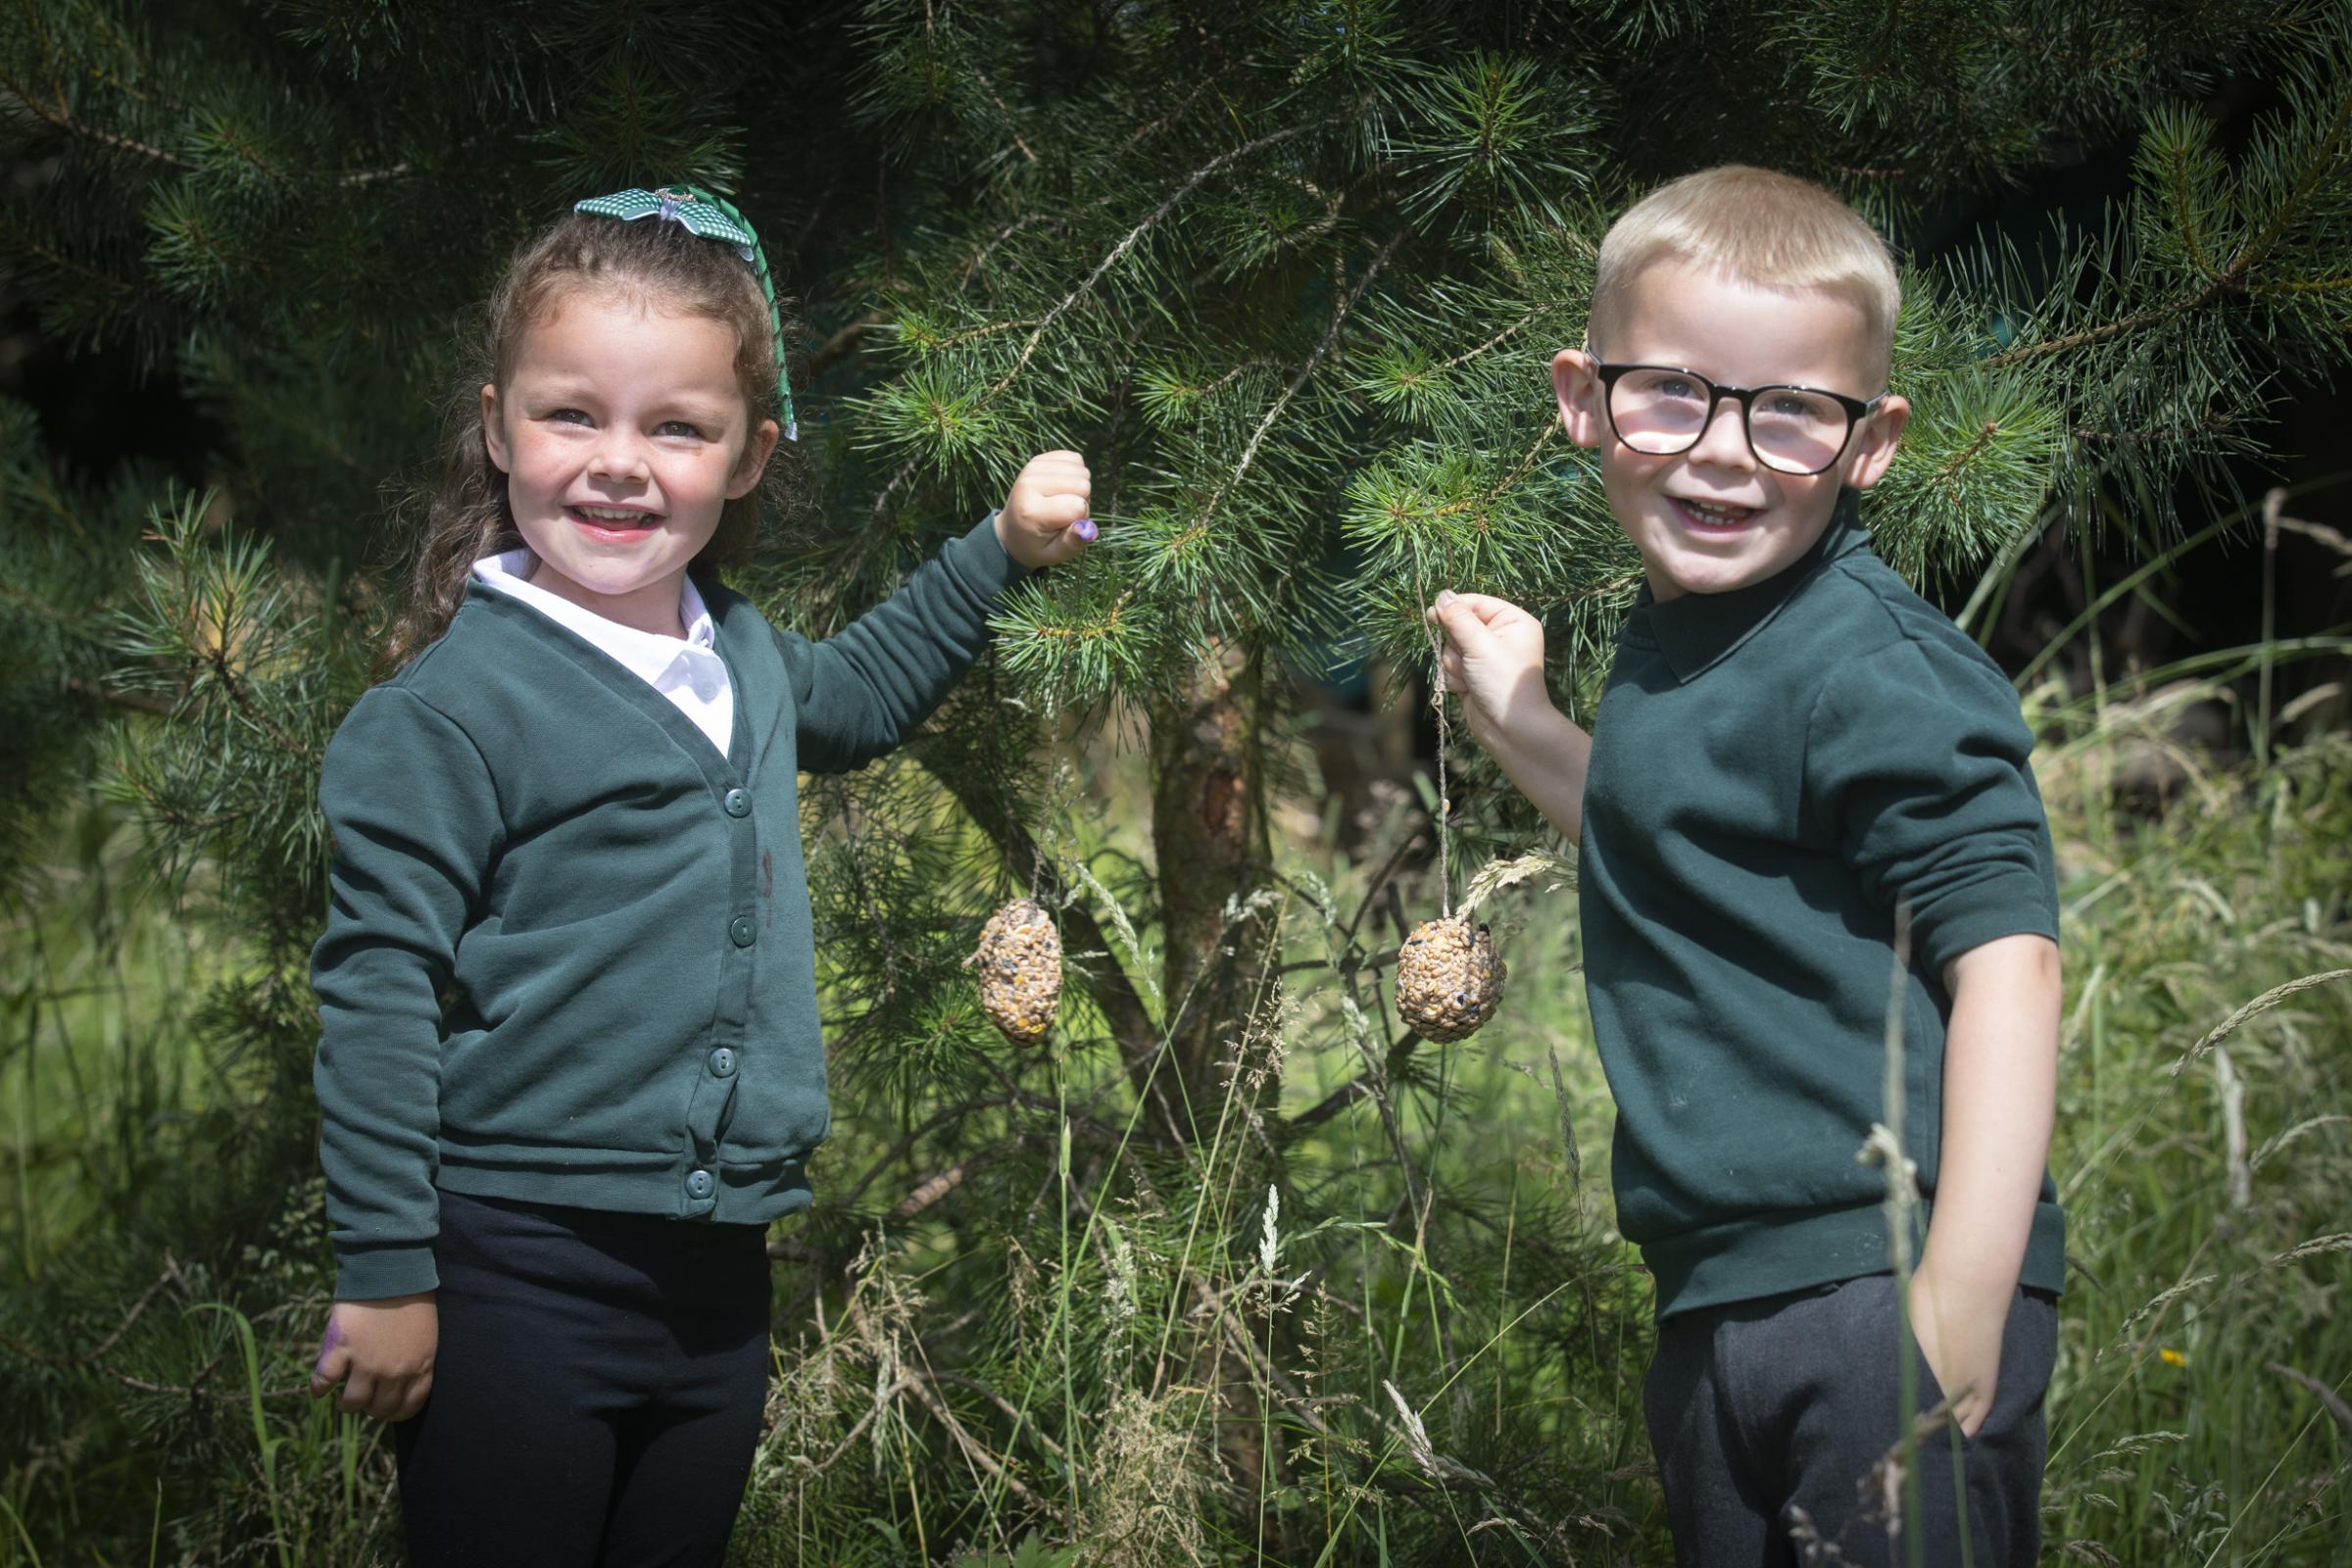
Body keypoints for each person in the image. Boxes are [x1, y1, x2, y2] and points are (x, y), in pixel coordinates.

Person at [304, 185, 1094, 1564]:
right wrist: (386, 1274)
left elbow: (857, 695)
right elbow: (377, 998)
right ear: (496, 427)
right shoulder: (446, 715)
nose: (621, 463)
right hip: (513, 1269)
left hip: (719, 1280)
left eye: (678, 427)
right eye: (573, 415)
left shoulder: (736, 651)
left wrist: (1001, 552)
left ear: (749, 455)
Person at [1431, 165, 2064, 1565]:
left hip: (1879, 1278)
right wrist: (1526, 718)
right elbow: (1668, 833)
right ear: (1582, 400)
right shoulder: (1684, 646)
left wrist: (1960, 1292)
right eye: (1671, 392)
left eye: (1790, 413)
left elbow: (2011, 962)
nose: (1722, 453)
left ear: (1873, 441)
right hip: (1720, 1295)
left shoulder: (1872, 668)